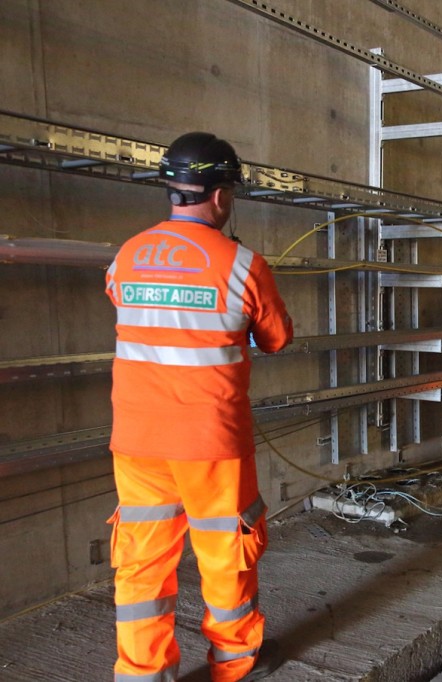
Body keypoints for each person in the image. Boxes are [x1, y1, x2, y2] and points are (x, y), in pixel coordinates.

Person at [104, 132, 293, 682]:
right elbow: (277, 338)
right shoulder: (241, 265)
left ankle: (141, 675)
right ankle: (232, 666)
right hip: (210, 442)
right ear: (219, 195)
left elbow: (132, 310)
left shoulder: (126, 256)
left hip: (137, 440)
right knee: (225, 554)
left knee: (141, 564)